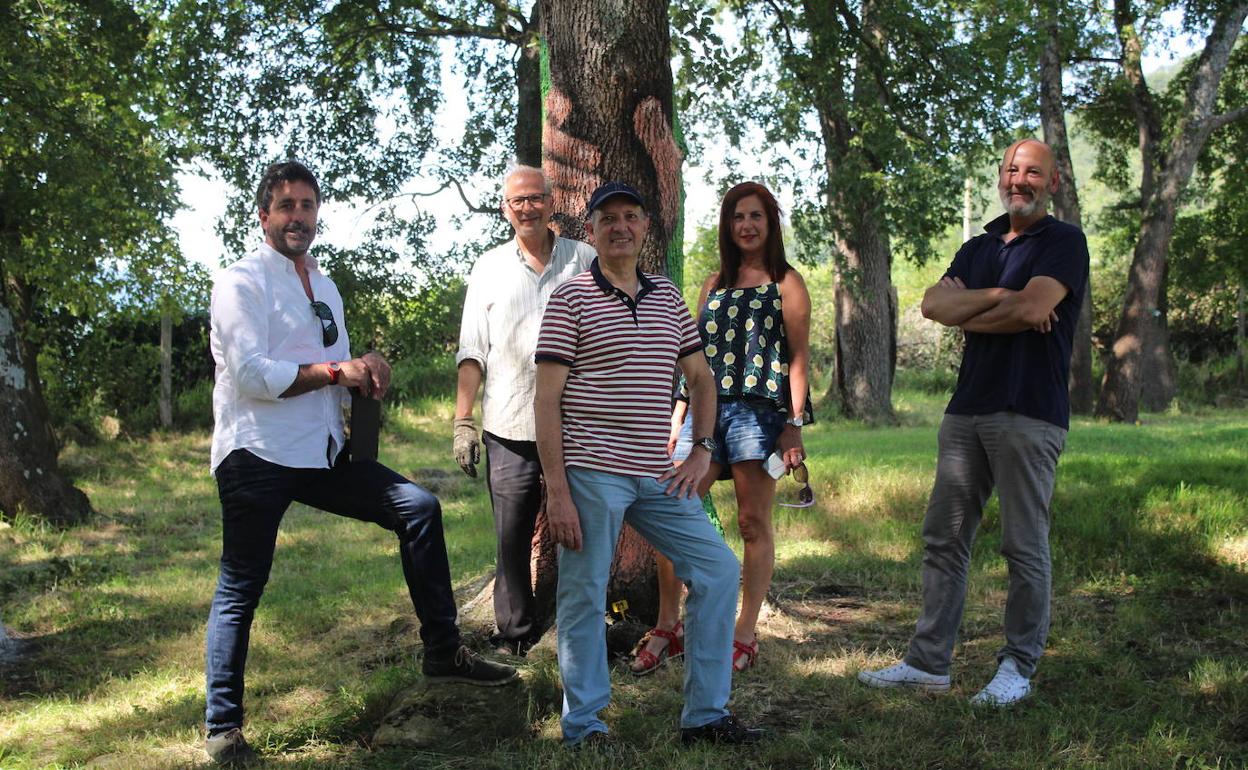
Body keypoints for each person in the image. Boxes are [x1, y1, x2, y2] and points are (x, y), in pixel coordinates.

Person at [204, 161, 517, 767]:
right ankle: (223, 729)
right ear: (264, 215)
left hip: (323, 452)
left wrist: (367, 370)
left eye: (307, 205)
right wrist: (334, 371)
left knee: (419, 508)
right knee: (242, 583)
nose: (298, 216)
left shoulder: (324, 286)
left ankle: (443, 652)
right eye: (286, 205)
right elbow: (250, 375)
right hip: (256, 453)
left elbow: (339, 366)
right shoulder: (240, 283)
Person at [857, 139, 1089, 706]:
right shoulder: (977, 247)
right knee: (944, 539)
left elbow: (1033, 310)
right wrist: (1005, 298)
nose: (1019, 180)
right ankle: (927, 664)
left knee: (1023, 545)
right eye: (1011, 170)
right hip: (966, 410)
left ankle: (1017, 667)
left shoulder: (1064, 242)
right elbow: (935, 307)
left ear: (1053, 182)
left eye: (1032, 172)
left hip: (1030, 411)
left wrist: (976, 310)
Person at [534, 181, 763, 747]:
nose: (620, 226)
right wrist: (557, 490)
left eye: (630, 216)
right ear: (591, 231)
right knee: (584, 592)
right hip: (590, 470)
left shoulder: (667, 297)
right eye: (607, 218)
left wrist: (702, 449)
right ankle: (584, 725)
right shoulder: (569, 299)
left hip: (655, 471)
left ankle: (705, 717)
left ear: (644, 228)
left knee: (717, 570)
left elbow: (702, 380)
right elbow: (546, 400)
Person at [629, 181, 812, 676]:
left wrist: (794, 426)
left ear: (770, 223)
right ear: (727, 226)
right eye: (737, 217)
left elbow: (798, 358)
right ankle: (669, 626)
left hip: (760, 413)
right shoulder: (713, 283)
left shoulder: (787, 282)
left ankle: (745, 633)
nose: (746, 226)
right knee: (672, 512)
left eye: (755, 216)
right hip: (706, 413)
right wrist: (677, 416)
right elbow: (694, 355)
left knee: (752, 523)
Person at [453, 165, 596, 656]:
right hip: (508, 425)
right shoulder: (488, 268)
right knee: (511, 536)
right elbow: (472, 351)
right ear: (505, 209)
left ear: (552, 203)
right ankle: (515, 635)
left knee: (582, 530)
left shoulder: (585, 260)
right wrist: (463, 421)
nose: (528, 208)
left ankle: (577, 629)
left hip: (576, 425)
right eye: (518, 201)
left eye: (536, 198)